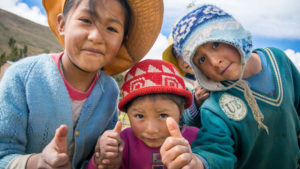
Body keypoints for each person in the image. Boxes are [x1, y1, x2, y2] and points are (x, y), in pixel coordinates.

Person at [0, 0, 163, 168]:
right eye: (86, 20)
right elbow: (3, 155)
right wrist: (37, 163)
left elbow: (94, 156)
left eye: (112, 29)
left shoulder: (109, 91)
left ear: (122, 41)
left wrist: (102, 158)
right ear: (62, 25)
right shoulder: (22, 76)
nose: (96, 37)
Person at [160, 4, 300, 169]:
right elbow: (215, 149)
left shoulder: (278, 59)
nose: (215, 62)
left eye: (215, 44)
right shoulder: (214, 106)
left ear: (232, 32)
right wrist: (198, 163)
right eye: (201, 60)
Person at [86, 59, 199, 169]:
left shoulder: (197, 139)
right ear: (127, 112)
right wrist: (102, 160)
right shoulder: (122, 143)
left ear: (181, 110)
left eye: (163, 115)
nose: (151, 129)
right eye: (139, 116)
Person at [162, 36, 210, 127]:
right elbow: (183, 119)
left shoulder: (220, 73)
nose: (184, 58)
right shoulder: (179, 86)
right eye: (177, 54)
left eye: (189, 50)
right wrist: (196, 102)